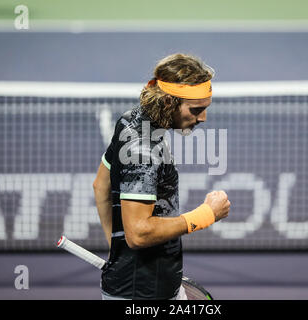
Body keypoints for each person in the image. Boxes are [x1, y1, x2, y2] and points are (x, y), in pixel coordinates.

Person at [93, 53, 231, 300]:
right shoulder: (143, 150)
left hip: (154, 283)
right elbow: (138, 233)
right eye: (196, 109)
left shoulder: (131, 120)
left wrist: (116, 250)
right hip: (142, 295)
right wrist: (205, 215)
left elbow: (100, 186)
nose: (203, 118)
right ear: (168, 103)